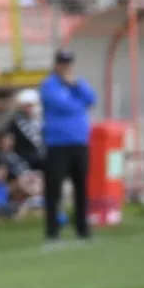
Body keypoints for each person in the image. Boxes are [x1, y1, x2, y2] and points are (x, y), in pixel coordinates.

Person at [40, 49, 95, 241]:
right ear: (56, 65)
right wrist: (78, 101)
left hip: (79, 142)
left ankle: (82, 227)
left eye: (69, 63)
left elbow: (91, 98)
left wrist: (76, 86)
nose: (66, 67)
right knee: (54, 189)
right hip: (58, 145)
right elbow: (65, 106)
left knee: (81, 187)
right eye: (63, 63)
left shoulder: (77, 83)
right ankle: (52, 230)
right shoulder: (49, 85)